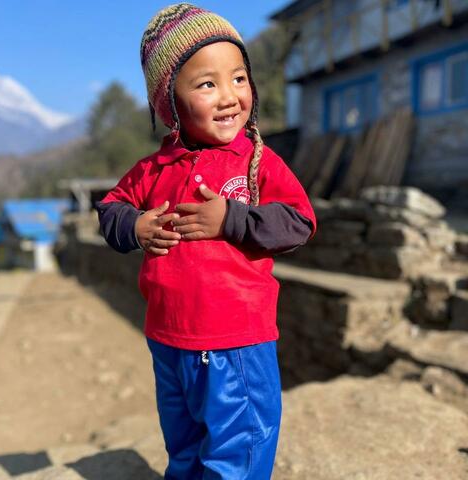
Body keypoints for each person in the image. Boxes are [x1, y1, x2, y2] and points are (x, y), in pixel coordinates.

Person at [95, 3, 317, 479]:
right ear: (169, 103)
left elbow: (298, 222)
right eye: (207, 84)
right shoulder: (153, 169)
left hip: (236, 340)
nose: (229, 97)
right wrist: (134, 226)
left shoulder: (256, 161)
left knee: (237, 450)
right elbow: (110, 209)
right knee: (185, 444)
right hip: (168, 339)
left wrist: (232, 218)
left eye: (239, 78)